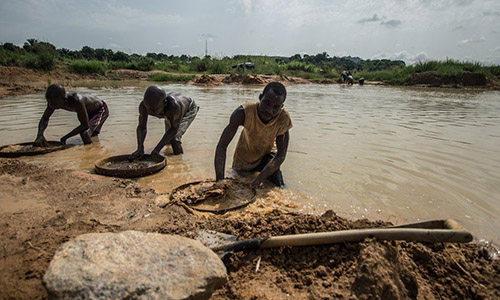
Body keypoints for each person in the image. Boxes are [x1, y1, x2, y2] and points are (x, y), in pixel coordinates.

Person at [214, 82, 292, 188]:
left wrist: (258, 180)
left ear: (281, 107)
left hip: (266, 156)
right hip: (243, 158)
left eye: (276, 107)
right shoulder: (243, 112)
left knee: (278, 186)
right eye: (266, 103)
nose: (269, 110)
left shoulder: (283, 118)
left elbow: (280, 156)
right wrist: (219, 181)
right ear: (260, 98)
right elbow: (222, 147)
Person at [129, 86, 199, 160]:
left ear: (165, 104)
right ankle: (170, 152)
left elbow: (173, 130)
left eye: (154, 109)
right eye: (148, 108)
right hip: (169, 111)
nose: (151, 112)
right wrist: (140, 148)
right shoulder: (143, 106)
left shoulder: (174, 107)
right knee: (168, 140)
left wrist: (156, 150)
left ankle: (179, 160)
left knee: (174, 139)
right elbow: (141, 127)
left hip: (188, 109)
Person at [34, 84, 108, 146]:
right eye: (48, 101)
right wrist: (40, 134)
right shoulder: (53, 103)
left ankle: (90, 152)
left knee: (84, 133)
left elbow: (84, 125)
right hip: (87, 110)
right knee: (90, 133)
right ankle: (94, 141)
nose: (50, 105)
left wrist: (65, 138)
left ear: (64, 99)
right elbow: (45, 118)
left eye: (53, 103)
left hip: (99, 110)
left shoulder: (77, 101)